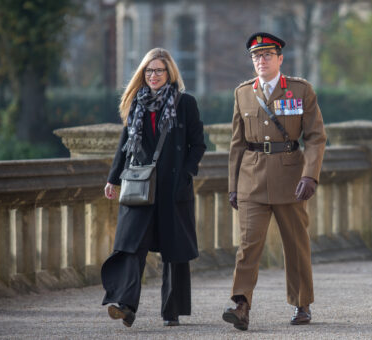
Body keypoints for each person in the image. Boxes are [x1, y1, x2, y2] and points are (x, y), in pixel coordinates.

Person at [222, 32, 327, 331]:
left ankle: (301, 303)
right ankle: (241, 305)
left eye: (268, 55)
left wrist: (310, 174)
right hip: (251, 180)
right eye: (256, 56)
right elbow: (237, 144)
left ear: (280, 59)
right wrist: (233, 186)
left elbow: (316, 137)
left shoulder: (300, 90)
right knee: (248, 245)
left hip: (291, 178)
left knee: (295, 244)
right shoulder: (243, 92)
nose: (261, 60)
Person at [101, 47, 206, 328]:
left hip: (172, 187)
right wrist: (113, 178)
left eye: (159, 70)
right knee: (131, 245)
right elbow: (125, 145)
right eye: (149, 70)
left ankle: (171, 311)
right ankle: (126, 305)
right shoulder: (137, 103)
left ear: (169, 72)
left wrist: (186, 173)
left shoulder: (185, 103)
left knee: (173, 252)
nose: (154, 75)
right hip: (140, 185)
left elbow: (198, 145)